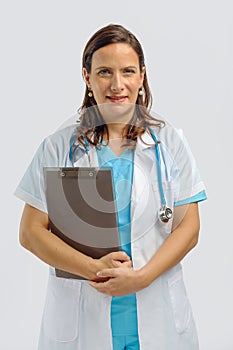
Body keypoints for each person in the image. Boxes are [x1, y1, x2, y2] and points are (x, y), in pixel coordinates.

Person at [15, 24, 207, 350]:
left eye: (128, 71)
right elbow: (31, 232)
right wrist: (93, 269)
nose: (117, 84)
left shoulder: (170, 143)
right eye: (105, 72)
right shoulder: (58, 147)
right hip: (82, 320)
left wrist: (143, 278)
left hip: (156, 314)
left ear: (142, 76)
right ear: (87, 78)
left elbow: (189, 226)